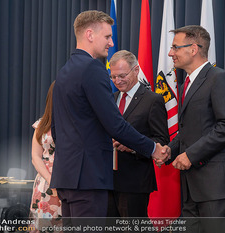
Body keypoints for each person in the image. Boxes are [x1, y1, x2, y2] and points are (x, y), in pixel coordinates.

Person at [50, 10, 168, 219]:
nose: (111, 43)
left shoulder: (64, 71)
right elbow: (115, 125)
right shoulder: (92, 69)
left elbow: (57, 130)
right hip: (88, 177)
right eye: (107, 36)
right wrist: (152, 148)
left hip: (67, 177)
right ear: (89, 34)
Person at [165, 25, 225, 233]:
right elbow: (191, 130)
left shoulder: (219, 78)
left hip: (217, 188)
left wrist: (190, 155)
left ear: (193, 49)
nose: (170, 53)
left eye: (175, 47)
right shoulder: (186, 85)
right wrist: (169, 151)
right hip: (192, 188)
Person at [106, 50, 169, 217]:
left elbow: (161, 140)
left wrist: (133, 147)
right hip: (106, 181)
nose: (117, 81)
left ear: (136, 70)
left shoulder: (152, 100)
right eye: (113, 77)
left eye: (122, 75)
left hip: (134, 182)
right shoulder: (109, 99)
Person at [29, 81, 62, 232]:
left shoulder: (77, 124)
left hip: (69, 182)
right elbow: (35, 157)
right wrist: (50, 179)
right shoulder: (41, 125)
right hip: (45, 182)